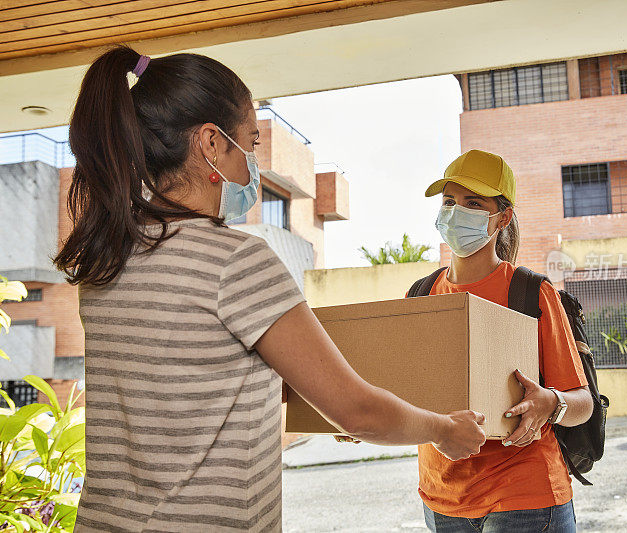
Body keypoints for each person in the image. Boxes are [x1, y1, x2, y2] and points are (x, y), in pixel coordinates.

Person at [54, 46, 486, 532]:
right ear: (212, 144)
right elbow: (356, 410)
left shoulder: (107, 260)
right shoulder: (235, 261)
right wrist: (445, 430)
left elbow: (192, 388)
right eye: (251, 145)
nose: (250, 166)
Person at [418, 150, 594, 532]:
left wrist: (551, 402)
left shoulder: (530, 292)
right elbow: (404, 388)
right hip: (442, 498)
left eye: (473, 203)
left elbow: (583, 404)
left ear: (503, 217)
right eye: (449, 201)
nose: (454, 212)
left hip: (524, 497)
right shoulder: (421, 294)